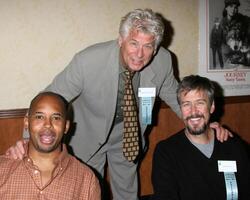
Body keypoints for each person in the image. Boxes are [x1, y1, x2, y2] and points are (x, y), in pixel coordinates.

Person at [6, 9, 231, 200]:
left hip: (128, 137)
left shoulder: (162, 61)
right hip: (88, 136)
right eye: (133, 43)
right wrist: (27, 142)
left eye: (148, 46)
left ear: (156, 47)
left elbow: (174, 95)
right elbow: (49, 98)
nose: (139, 54)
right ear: (121, 39)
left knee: (128, 193)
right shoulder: (88, 61)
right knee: (86, 190)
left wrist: (201, 122)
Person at [151, 75, 250, 200]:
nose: (193, 111)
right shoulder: (166, 152)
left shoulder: (232, 146)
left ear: (212, 106)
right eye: (186, 104)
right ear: (180, 108)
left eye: (200, 103)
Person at [0, 92, 101, 199]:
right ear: (26, 122)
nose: (48, 124)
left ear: (66, 126)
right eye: (39, 117)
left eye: (56, 118)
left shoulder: (87, 180)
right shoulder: (3, 169)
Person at [220, 0, 250, 65]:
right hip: (229, 53)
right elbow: (222, 40)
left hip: (243, 51)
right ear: (226, 8)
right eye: (231, 6)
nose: (233, 9)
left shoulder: (242, 19)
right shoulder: (222, 23)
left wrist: (246, 41)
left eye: (235, 7)